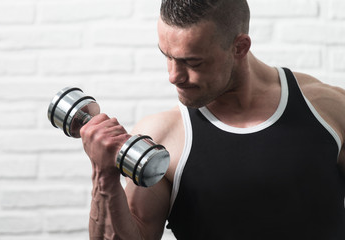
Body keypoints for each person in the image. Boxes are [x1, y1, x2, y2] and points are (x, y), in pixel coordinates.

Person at [79, 0, 345, 239]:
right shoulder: (162, 138)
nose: (173, 76)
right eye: (167, 56)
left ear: (240, 47)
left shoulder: (328, 109)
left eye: (192, 62)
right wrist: (103, 175)